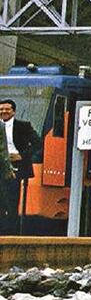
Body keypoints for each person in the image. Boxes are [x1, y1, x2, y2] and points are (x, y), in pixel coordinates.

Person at [0, 99, 36, 235]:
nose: (3, 111)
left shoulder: (24, 126)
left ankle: (11, 233)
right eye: (1, 109)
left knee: (12, 200)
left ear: (13, 111)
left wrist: (22, 155)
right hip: (1, 165)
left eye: (7, 109)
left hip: (16, 167)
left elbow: (37, 144)